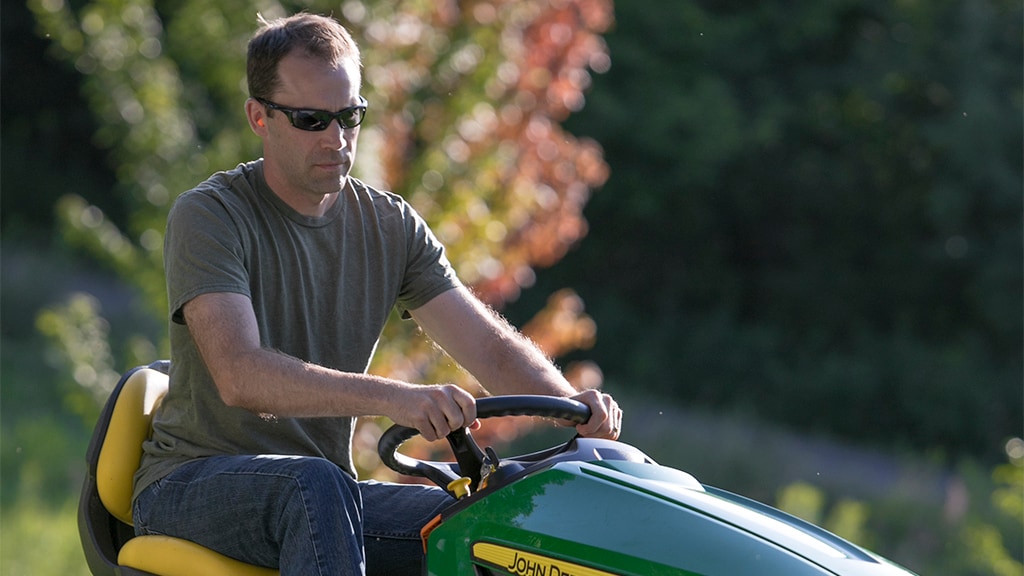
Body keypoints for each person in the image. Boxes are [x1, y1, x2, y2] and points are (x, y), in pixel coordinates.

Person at [132, 12, 622, 576]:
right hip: (189, 487)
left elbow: (486, 347)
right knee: (314, 485)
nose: (337, 140)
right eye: (313, 120)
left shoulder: (390, 225)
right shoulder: (210, 216)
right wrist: (395, 398)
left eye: (350, 117)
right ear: (259, 118)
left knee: (491, 520)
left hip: (322, 497)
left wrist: (574, 412)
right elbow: (240, 375)